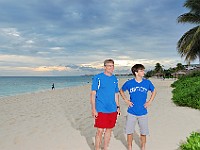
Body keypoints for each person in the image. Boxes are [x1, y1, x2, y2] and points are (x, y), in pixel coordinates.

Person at [120, 64, 156, 150]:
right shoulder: (129, 83)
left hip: (143, 112)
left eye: (143, 70)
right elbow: (121, 90)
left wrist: (149, 101)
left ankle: (143, 147)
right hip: (131, 112)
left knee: (143, 132)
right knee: (129, 132)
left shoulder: (147, 82)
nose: (143, 72)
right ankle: (129, 147)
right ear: (136, 72)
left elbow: (154, 91)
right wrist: (126, 100)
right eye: (141, 70)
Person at [90, 59, 120, 150]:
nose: (111, 67)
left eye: (113, 66)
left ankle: (105, 147)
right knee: (100, 130)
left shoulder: (114, 78)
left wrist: (118, 107)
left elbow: (116, 94)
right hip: (101, 108)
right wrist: (94, 109)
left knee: (109, 129)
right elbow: (93, 93)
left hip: (112, 108)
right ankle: (97, 148)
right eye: (109, 65)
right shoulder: (98, 78)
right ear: (105, 67)